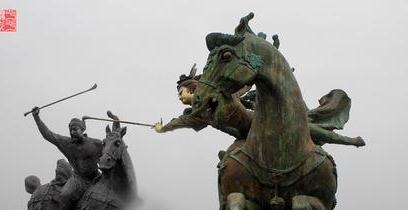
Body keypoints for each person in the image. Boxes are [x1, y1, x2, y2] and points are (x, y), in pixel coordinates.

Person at [154, 66, 365, 148]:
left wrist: (269, 74)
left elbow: (244, 86)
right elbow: (179, 122)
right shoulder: (197, 115)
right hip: (244, 138)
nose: (180, 98)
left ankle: (347, 141)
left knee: (297, 125)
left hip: (258, 122)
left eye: (181, 93)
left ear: (192, 89)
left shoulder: (222, 93)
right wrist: (162, 128)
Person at [31, 107, 103, 210]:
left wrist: (116, 124)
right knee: (65, 195)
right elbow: (48, 134)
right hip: (78, 179)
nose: (72, 132)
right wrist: (37, 118)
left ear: (83, 130)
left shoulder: (96, 144)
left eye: (75, 129)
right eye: (70, 130)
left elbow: (110, 152)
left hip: (96, 177)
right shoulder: (66, 143)